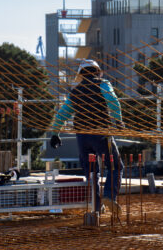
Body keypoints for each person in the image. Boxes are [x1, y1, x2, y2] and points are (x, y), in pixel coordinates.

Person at [49, 60, 123, 215]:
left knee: (91, 172)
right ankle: (109, 196)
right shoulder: (102, 84)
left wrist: (55, 133)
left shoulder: (75, 91)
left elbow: (63, 113)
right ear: (97, 71)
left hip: (82, 137)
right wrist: (118, 121)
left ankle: (96, 206)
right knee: (115, 166)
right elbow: (113, 101)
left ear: (81, 74)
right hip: (100, 133)